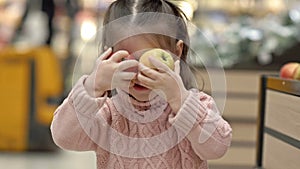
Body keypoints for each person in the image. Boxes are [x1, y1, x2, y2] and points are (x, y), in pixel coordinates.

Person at [50, 0, 232, 168]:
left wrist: (180, 99)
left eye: (150, 58)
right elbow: (64, 137)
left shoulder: (196, 105)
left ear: (177, 52)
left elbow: (217, 147)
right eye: (125, 59)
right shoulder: (108, 114)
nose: (139, 71)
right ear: (108, 56)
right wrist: (93, 86)